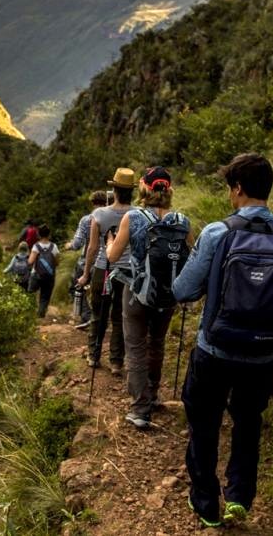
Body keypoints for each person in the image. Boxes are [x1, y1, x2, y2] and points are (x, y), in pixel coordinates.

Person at [172, 153, 273, 528]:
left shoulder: (216, 233)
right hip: (261, 354)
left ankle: (206, 503)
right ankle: (239, 496)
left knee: (204, 422)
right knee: (247, 422)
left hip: (214, 350)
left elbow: (183, 290)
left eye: (230, 188)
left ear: (238, 189)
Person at [105, 166, 194, 429]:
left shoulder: (133, 217)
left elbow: (113, 256)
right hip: (169, 293)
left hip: (137, 293)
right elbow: (192, 256)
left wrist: (109, 243)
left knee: (135, 347)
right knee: (157, 343)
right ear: (169, 190)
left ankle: (140, 409)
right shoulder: (182, 221)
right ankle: (153, 394)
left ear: (143, 188)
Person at [76, 168, 136, 376]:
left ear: (115, 190)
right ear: (131, 192)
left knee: (98, 314)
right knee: (120, 317)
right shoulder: (137, 214)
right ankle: (116, 362)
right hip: (128, 271)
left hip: (103, 269)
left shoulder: (99, 214)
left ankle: (93, 355)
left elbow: (92, 248)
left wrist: (86, 274)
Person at [67, 191, 108, 329]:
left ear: (92, 203)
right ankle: (100, 318)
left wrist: (68, 245)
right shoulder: (111, 218)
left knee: (75, 286)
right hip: (106, 262)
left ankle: (87, 316)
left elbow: (77, 244)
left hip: (87, 262)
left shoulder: (87, 220)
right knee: (102, 293)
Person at [28, 224, 59, 318]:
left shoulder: (36, 246)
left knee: (30, 293)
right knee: (45, 297)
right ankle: (40, 315)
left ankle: (29, 314)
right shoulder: (54, 246)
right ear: (49, 234)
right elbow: (57, 262)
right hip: (49, 276)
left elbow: (30, 261)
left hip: (36, 274)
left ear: (38, 234)